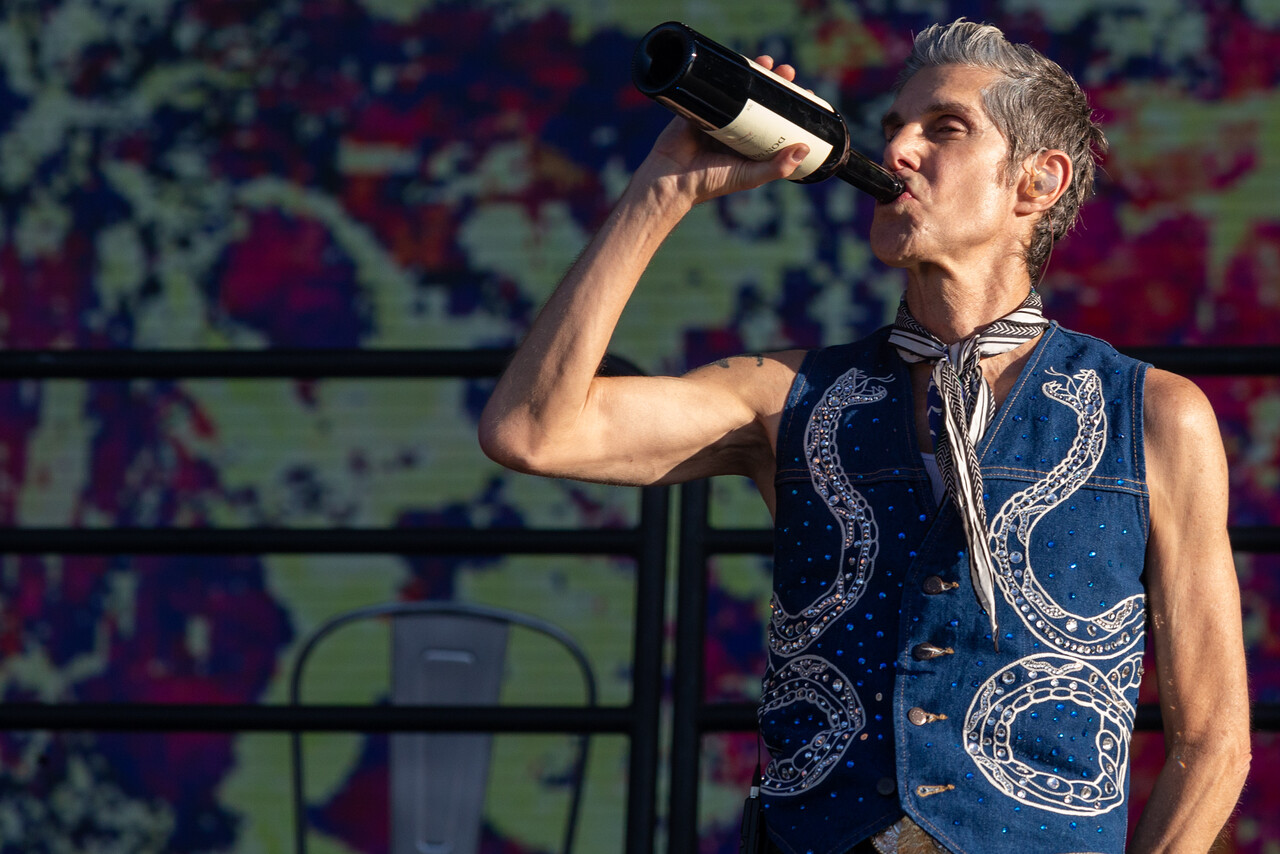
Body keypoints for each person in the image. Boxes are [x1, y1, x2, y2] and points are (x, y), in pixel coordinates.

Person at [479, 19, 1250, 854]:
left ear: (1037, 182)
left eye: (944, 128)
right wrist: (663, 189)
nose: (901, 150)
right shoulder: (786, 395)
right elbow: (531, 430)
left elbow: (1214, 743)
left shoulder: (1154, 415)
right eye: (894, 128)